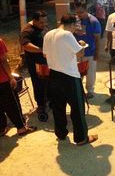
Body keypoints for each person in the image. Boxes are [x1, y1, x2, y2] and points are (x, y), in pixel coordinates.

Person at [43, 14, 98, 146]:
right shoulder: (67, 35)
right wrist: (82, 45)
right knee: (77, 108)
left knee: (58, 107)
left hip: (53, 75)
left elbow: (45, 54)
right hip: (70, 76)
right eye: (75, 26)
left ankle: (61, 134)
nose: (75, 29)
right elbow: (80, 54)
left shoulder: (48, 34)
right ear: (72, 24)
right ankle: (81, 138)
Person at [0, 38, 37, 137]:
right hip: (2, 80)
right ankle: (21, 128)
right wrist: (11, 77)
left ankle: (1, 128)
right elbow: (3, 61)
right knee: (12, 104)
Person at [20, 11, 48, 116]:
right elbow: (26, 45)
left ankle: (48, 100)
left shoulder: (42, 26)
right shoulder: (27, 31)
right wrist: (41, 50)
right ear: (34, 21)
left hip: (45, 62)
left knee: (47, 82)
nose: (44, 24)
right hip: (35, 63)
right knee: (38, 84)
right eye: (41, 23)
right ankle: (41, 105)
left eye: (45, 22)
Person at [74, 1, 101, 99]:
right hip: (77, 52)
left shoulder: (93, 21)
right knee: (77, 72)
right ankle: (78, 90)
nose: (79, 15)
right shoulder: (75, 20)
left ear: (86, 10)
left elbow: (97, 39)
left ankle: (90, 90)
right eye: (77, 12)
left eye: (81, 12)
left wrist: (97, 53)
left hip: (90, 51)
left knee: (90, 72)